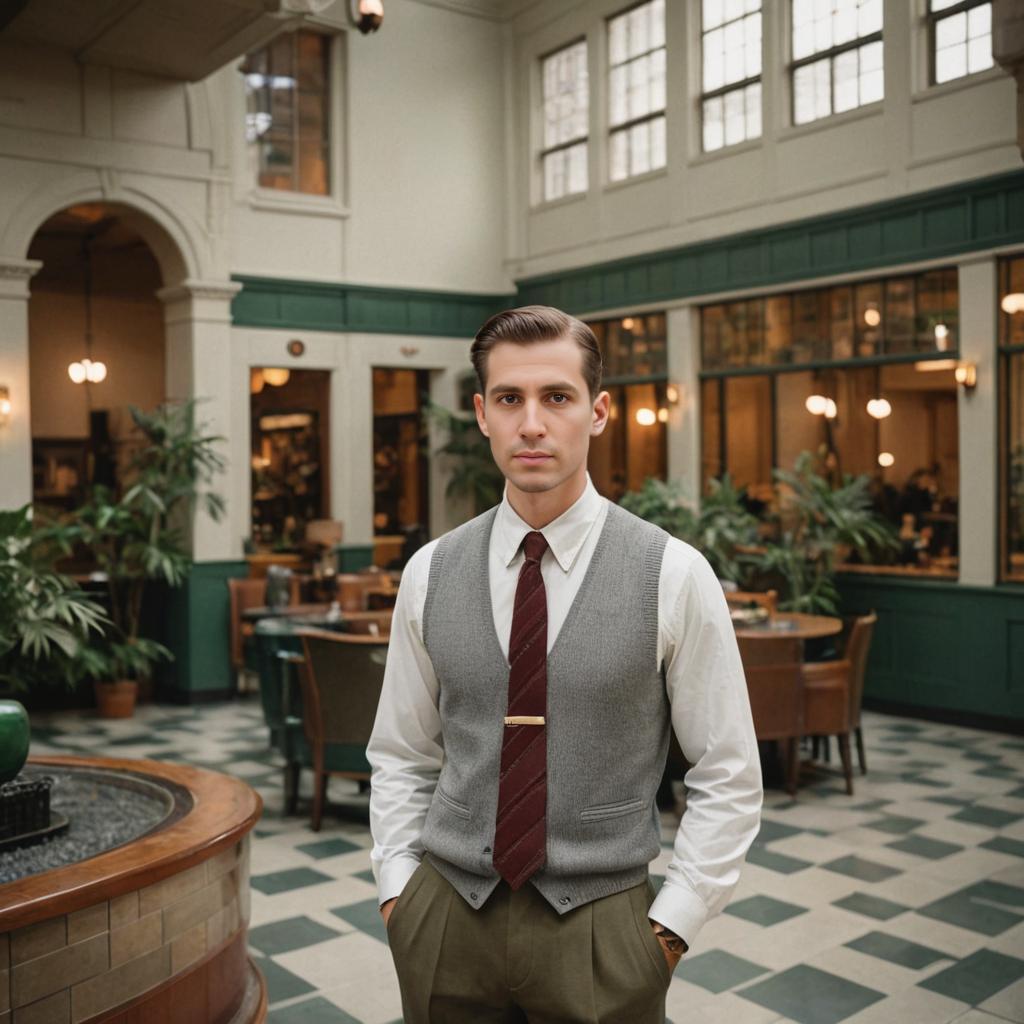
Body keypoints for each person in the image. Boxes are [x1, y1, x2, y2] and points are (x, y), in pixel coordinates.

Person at [368, 305, 762, 1023]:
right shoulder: (430, 571)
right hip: (446, 917)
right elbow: (401, 751)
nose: (532, 424)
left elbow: (728, 771)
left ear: (599, 411)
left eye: (557, 397)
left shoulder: (673, 573)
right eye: (510, 400)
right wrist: (400, 893)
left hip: (602, 924)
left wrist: (669, 928)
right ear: (482, 413)